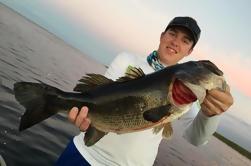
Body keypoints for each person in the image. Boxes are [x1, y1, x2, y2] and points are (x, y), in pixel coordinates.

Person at [56, 16, 233, 166]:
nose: (175, 42)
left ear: (189, 51)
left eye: (185, 40)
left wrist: (211, 114)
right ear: (162, 36)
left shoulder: (187, 93)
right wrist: (82, 115)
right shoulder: (127, 60)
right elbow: (97, 98)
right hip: (83, 155)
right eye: (172, 34)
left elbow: (196, 139)